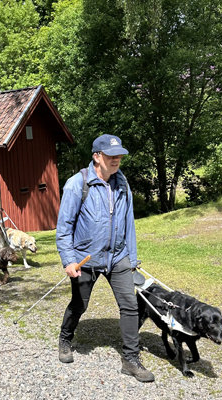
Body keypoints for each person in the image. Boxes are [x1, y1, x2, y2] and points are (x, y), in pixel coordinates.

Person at [55, 134, 153, 382]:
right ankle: (65, 339)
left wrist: (131, 259)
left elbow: (128, 222)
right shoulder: (77, 184)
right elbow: (64, 227)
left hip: (117, 256)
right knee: (80, 304)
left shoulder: (122, 183)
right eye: (111, 155)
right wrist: (68, 260)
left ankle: (130, 360)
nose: (116, 159)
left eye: (119, 155)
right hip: (85, 257)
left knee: (130, 306)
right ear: (96, 157)